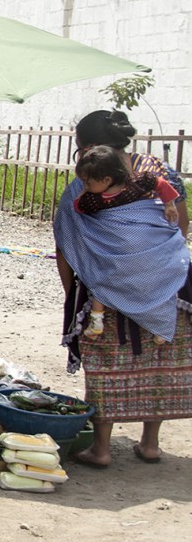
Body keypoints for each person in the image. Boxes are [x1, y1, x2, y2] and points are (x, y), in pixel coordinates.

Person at [54, 110, 192, 467]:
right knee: (158, 357)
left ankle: (101, 448)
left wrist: (74, 295)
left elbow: (66, 244)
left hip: (106, 284)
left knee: (106, 360)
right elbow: (180, 221)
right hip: (166, 281)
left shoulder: (84, 179)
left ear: (86, 146)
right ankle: (150, 443)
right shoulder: (158, 170)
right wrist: (153, 261)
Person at [72, 145, 180, 338]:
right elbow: (161, 184)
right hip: (136, 248)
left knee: (101, 279)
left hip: (125, 250)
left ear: (106, 180)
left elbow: (78, 208)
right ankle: (160, 326)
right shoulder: (139, 181)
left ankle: (97, 321)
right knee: (154, 281)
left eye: (87, 183)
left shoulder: (94, 200)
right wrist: (169, 205)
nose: (85, 187)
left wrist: (81, 197)